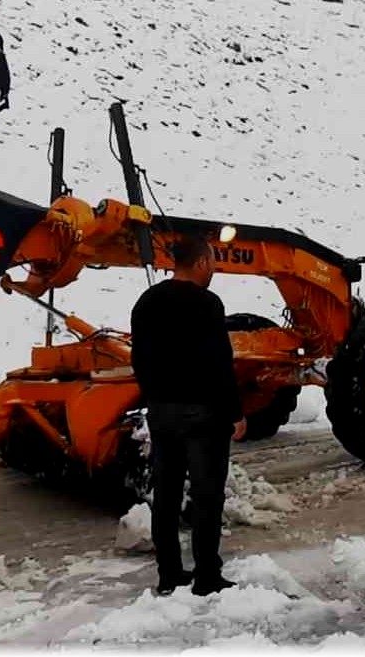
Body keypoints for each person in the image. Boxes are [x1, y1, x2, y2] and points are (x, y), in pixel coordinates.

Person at [130, 233, 248, 596]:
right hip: (203, 415)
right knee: (207, 495)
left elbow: (139, 359)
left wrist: (155, 397)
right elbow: (219, 363)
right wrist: (235, 412)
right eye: (212, 261)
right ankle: (207, 576)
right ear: (199, 263)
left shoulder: (147, 302)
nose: (213, 268)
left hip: (163, 413)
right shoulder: (207, 304)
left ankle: (169, 573)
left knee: (165, 496)